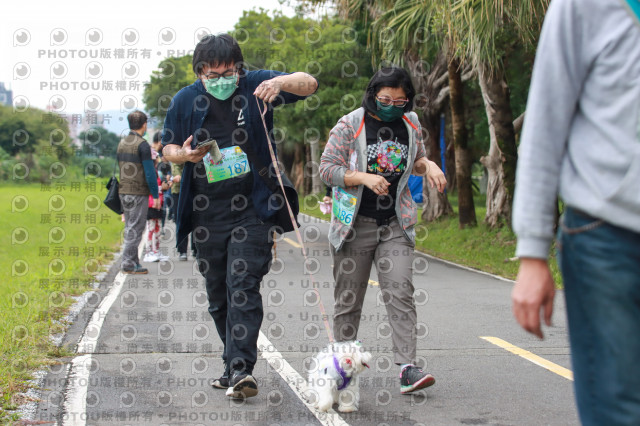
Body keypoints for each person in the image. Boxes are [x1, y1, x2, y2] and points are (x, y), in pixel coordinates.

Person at [162, 33, 318, 399]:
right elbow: (167, 146)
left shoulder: (256, 85)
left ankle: (240, 368)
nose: (222, 80)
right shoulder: (185, 100)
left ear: (239, 69)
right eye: (213, 74)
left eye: (229, 72)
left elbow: (309, 84)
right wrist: (182, 156)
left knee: (243, 284)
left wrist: (279, 82)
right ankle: (231, 360)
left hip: (254, 208)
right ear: (200, 73)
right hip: (205, 212)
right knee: (218, 295)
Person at [511, 0, 640, 424]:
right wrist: (532, 252)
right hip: (608, 236)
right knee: (618, 406)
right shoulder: (585, 6)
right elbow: (546, 123)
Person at [319, 66, 446, 395]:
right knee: (348, 301)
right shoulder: (351, 123)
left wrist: (428, 165)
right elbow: (327, 169)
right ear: (373, 95)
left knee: (401, 292)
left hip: (395, 223)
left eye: (399, 101)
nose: (391, 106)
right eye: (384, 99)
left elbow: (416, 159)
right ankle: (342, 370)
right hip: (354, 225)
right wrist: (362, 177)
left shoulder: (411, 122)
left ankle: (407, 368)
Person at [117, 110, 159, 274]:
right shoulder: (142, 145)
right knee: (136, 228)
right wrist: (155, 195)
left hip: (123, 191)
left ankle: (134, 261)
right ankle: (128, 263)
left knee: (130, 226)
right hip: (137, 192)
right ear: (144, 124)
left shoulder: (122, 143)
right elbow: (149, 173)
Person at [142, 149, 169, 263]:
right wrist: (160, 188)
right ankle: (149, 252)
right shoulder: (148, 172)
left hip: (158, 202)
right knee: (151, 227)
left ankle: (156, 251)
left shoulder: (154, 171)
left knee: (157, 227)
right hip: (151, 203)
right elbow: (148, 187)